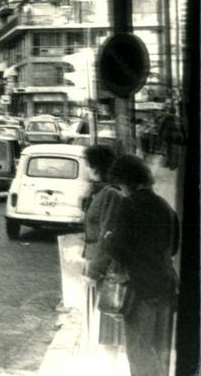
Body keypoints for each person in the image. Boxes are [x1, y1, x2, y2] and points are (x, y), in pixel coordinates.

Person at [106, 154, 179, 376]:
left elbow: (120, 249)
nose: (120, 188)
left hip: (140, 288)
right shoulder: (165, 206)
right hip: (165, 285)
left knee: (139, 352)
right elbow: (174, 247)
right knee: (159, 349)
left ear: (125, 180)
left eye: (119, 183)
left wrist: (109, 237)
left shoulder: (129, 205)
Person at [81, 144, 124, 355]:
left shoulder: (110, 194)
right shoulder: (101, 192)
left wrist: (94, 271)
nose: (87, 170)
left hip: (106, 271)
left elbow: (108, 236)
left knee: (107, 326)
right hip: (98, 266)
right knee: (99, 323)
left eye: (89, 166)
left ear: (97, 167)